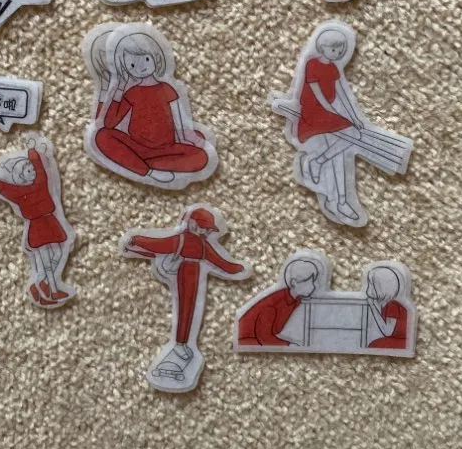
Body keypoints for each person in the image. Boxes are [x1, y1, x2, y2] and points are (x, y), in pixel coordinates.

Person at [124, 207, 249, 382]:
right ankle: (179, 344)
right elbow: (159, 244)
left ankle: (182, 344)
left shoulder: (203, 244)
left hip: (195, 273)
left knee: (190, 310)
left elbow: (217, 260)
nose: (206, 232)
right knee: (185, 309)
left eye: (208, 229)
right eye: (204, 227)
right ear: (193, 224)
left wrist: (234, 268)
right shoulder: (181, 239)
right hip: (184, 273)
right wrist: (137, 240)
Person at [94, 30, 212, 185]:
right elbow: (109, 124)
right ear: (125, 69)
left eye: (146, 59)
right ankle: (148, 171)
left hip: (167, 149)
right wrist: (119, 89)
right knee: (102, 136)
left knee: (201, 157)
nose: (141, 67)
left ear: (156, 58)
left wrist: (188, 136)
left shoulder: (166, 89)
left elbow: (180, 119)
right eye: (132, 65)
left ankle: (136, 164)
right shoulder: (131, 92)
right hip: (137, 147)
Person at [0, 138, 73, 307]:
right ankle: (52, 290)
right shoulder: (18, 193)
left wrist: (33, 152)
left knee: (60, 253)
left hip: (51, 221)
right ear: (20, 176)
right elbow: (4, 189)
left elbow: (40, 170)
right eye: (27, 170)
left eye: (31, 169)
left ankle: (41, 283)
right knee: (46, 261)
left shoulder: (41, 184)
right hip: (37, 227)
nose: (32, 172)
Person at [294, 26, 362, 222]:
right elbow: (318, 95)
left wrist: (354, 117)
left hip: (329, 113)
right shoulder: (312, 64)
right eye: (334, 50)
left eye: (340, 51)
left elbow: (343, 94)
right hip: (314, 113)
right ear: (322, 47)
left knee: (352, 137)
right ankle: (338, 201)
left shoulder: (333, 68)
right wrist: (335, 113)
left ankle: (319, 165)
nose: (337, 54)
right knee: (339, 153)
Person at [236, 257, 320, 346]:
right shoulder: (273, 305)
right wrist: (288, 345)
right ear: (294, 282)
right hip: (248, 340)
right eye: (309, 282)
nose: (313, 287)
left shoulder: (295, 301)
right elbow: (264, 338)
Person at [366, 266, 410, 349]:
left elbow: (387, 332)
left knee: (374, 345)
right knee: (374, 344)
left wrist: (373, 307)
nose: (369, 288)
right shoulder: (386, 305)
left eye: (372, 285)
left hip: (403, 342)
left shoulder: (392, 305)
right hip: (398, 339)